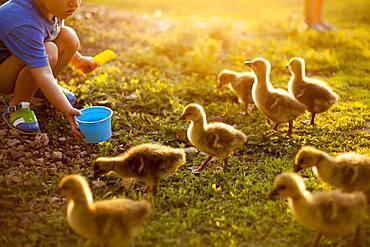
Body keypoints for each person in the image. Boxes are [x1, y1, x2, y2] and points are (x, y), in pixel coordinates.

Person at [0, 0, 98, 140]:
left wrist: (79, 60)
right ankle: (18, 104)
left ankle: (39, 91)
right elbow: (44, 74)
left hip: (19, 59)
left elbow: (54, 35)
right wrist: (67, 109)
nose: (74, 4)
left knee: (68, 36)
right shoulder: (24, 21)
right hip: (3, 76)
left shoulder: (52, 8)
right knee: (49, 51)